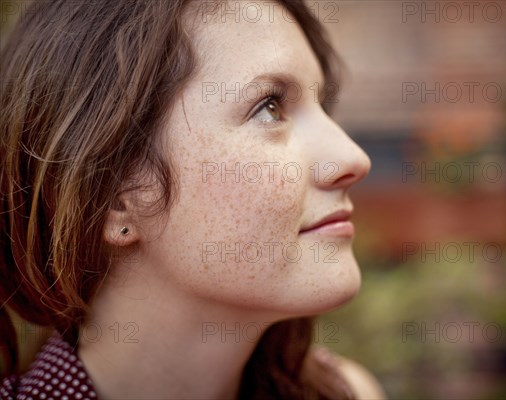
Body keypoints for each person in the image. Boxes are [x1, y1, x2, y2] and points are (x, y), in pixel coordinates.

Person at [0, 1, 385, 398]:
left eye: (322, 105)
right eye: (269, 107)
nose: (353, 157)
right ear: (115, 199)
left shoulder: (343, 390)